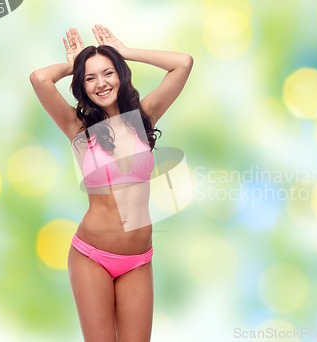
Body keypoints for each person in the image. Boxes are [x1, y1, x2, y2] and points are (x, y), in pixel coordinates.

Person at [30, 24, 193, 342]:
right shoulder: (77, 127)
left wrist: (125, 52)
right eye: (90, 78)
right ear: (83, 85)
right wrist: (75, 63)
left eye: (108, 73)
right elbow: (39, 79)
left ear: (120, 74)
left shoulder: (144, 117)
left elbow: (183, 63)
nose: (101, 83)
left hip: (138, 259)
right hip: (92, 256)